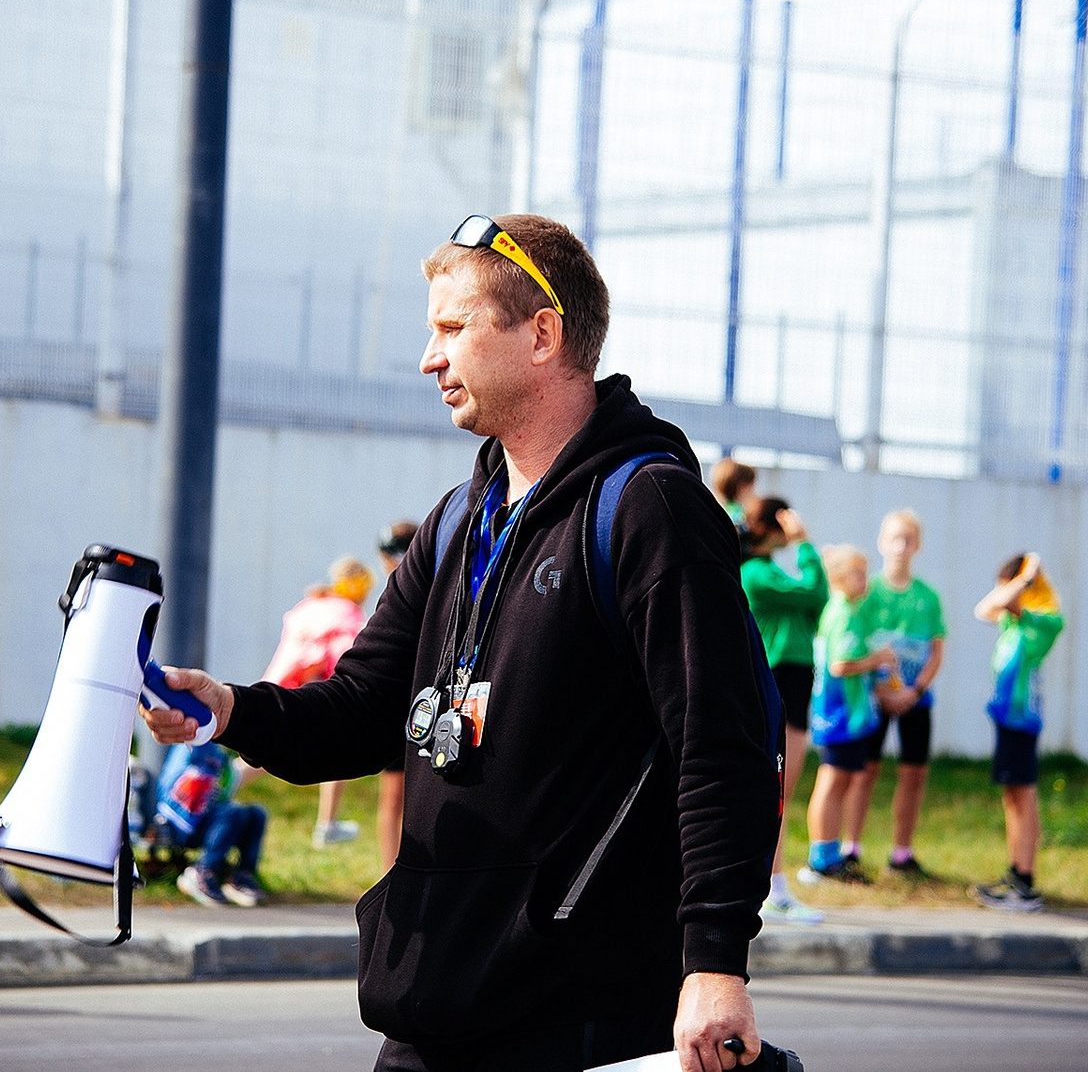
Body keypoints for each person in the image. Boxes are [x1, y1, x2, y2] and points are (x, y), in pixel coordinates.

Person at [143, 213, 780, 1072]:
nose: (428, 357)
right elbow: (362, 711)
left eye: (452, 327)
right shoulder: (455, 523)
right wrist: (229, 710)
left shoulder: (649, 509)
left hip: (584, 1018)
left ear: (542, 335)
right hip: (438, 1003)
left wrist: (714, 962)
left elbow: (723, 747)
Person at [738, 496, 829, 925]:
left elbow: (816, 602)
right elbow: (816, 591)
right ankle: (772, 890)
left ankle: (771, 886)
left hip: (793, 677)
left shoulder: (769, 571)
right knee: (777, 792)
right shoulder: (757, 573)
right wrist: (805, 544)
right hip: (779, 678)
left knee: (778, 792)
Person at [843, 509, 945, 877]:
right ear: (882, 542)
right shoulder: (867, 592)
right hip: (873, 698)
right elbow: (854, 645)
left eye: (908, 539)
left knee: (913, 773)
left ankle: (902, 852)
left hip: (916, 699)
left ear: (918, 545)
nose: (901, 546)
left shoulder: (927, 597)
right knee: (863, 771)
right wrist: (881, 690)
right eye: (894, 538)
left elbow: (937, 651)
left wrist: (914, 691)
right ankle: (850, 847)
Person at [971, 552, 1065, 913]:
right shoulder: (1013, 618)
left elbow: (1003, 602)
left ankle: (1024, 884)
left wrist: (1025, 579)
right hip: (1007, 718)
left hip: (1021, 719)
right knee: (1012, 795)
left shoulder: (1045, 620)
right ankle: (1015, 872)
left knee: (1023, 796)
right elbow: (984, 608)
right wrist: (1016, 585)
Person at [261, 556, 377, 847]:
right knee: (339, 747)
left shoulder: (312, 605)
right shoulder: (346, 613)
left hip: (280, 686)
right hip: (312, 692)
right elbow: (347, 660)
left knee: (262, 748)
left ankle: (217, 793)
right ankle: (327, 825)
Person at [799, 545, 893, 887]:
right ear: (838, 578)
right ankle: (821, 857)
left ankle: (829, 852)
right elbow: (841, 665)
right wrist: (877, 659)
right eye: (857, 574)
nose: (865, 581)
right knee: (833, 781)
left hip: (846, 715)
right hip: (840, 715)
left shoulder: (846, 609)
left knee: (840, 781)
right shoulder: (843, 613)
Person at [152, 737, 269, 909]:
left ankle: (241, 877)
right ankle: (202, 871)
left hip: (206, 818)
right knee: (232, 812)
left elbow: (229, 784)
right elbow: (176, 787)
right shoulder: (193, 746)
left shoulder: (220, 756)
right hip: (181, 821)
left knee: (256, 814)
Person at [373, 521, 418, 871]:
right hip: (405, 701)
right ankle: (392, 873)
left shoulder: (410, 586)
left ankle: (394, 872)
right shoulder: (403, 589)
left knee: (398, 799)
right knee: (396, 797)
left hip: (411, 700)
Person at [710, 458, 756, 526]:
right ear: (743, 488)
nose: (754, 490)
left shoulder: (716, 511)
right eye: (752, 485)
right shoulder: (742, 517)